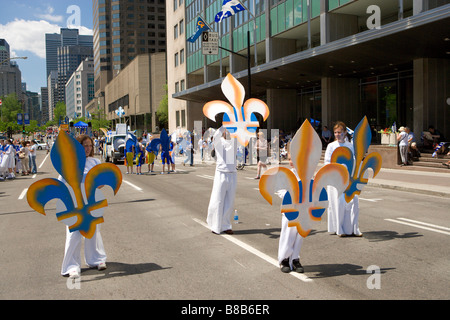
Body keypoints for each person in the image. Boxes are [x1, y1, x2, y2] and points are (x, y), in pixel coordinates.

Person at [58, 135, 107, 279]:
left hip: (92, 201)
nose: (88, 148)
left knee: (93, 231)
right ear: (78, 147)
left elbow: (101, 182)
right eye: (85, 146)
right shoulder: (69, 162)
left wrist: (98, 183)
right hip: (74, 202)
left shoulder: (95, 161)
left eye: (90, 146)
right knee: (74, 234)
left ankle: (96, 260)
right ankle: (71, 266)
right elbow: (60, 183)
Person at [324, 121, 362, 237]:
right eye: (335, 132)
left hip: (349, 179)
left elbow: (354, 162)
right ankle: (338, 228)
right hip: (335, 179)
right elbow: (327, 162)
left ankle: (353, 228)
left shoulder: (350, 146)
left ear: (345, 132)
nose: (337, 134)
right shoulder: (331, 146)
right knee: (338, 203)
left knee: (354, 202)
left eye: (339, 132)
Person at [206, 126, 237, 235]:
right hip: (221, 173)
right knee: (218, 200)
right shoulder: (219, 142)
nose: (228, 132)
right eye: (226, 131)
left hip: (232, 174)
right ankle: (215, 226)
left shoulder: (234, 141)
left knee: (230, 201)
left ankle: (226, 225)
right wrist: (225, 125)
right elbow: (216, 135)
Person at [278, 153, 304, 273]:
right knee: (288, 234)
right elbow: (281, 191)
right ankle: (284, 259)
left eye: (293, 159)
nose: (291, 162)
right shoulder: (286, 174)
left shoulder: (305, 173)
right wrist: (291, 196)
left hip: (303, 209)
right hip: (289, 208)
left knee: (299, 235)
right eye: (289, 159)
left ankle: (295, 259)